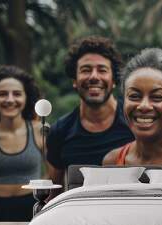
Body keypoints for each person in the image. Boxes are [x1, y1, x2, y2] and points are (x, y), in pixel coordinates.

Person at [46, 36, 134, 199]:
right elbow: (53, 194)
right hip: (78, 219)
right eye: (86, 70)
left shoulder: (135, 123)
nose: (94, 76)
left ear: (113, 80)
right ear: (74, 80)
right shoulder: (60, 131)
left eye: (102, 70)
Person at [0, 65, 43, 221]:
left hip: (32, 207)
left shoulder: (40, 131)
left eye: (17, 94)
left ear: (26, 97)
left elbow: (55, 173)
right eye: (2, 94)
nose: (9, 99)